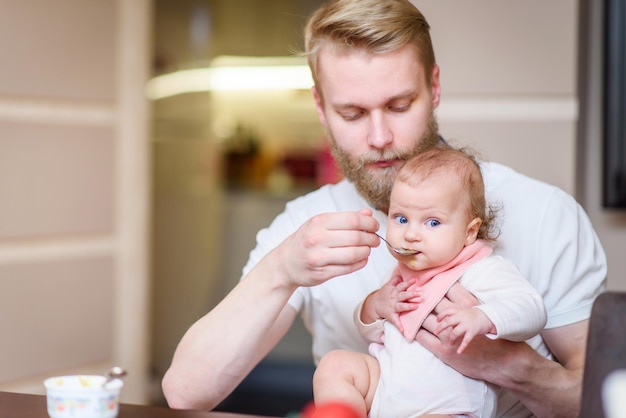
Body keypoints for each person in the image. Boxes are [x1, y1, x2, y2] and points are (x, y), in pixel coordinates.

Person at [161, 1, 607, 416]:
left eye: (398, 105)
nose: (379, 137)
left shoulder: (545, 213)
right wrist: (280, 270)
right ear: (320, 108)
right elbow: (186, 392)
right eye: (352, 114)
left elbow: (602, 401)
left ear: (433, 88)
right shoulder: (304, 227)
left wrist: (503, 364)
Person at [312, 147, 547, 417]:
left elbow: (531, 308)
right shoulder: (399, 274)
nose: (411, 234)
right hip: (386, 392)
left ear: (469, 231)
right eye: (401, 219)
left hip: (447, 408)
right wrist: (376, 305)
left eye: (432, 223)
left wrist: (481, 317)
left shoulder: (481, 270)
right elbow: (372, 332)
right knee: (335, 365)